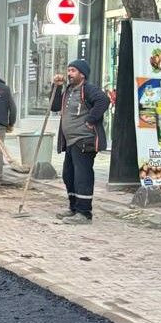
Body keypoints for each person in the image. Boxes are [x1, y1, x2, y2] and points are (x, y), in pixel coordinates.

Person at [52, 59, 109, 224]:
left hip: (84, 140)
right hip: (70, 141)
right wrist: (57, 87)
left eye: (73, 71)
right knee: (68, 175)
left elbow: (103, 101)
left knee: (82, 176)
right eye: (69, 70)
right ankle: (73, 208)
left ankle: (84, 213)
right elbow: (55, 107)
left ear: (82, 74)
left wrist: (91, 120)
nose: (69, 74)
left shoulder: (89, 89)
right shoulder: (69, 90)